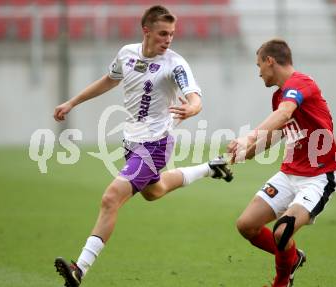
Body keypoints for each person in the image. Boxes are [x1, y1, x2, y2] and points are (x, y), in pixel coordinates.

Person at [53, 5, 233, 287]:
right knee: (155, 191)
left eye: (172, 34)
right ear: (146, 31)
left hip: (156, 146)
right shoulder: (126, 54)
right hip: (132, 142)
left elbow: (194, 95)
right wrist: (72, 102)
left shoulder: (175, 64)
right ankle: (210, 167)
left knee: (111, 198)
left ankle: (80, 269)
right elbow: (108, 80)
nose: (168, 39)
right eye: (163, 33)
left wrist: (192, 108)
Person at [227, 39, 336, 287]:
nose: (259, 72)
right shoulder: (279, 96)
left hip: (318, 177)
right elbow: (273, 137)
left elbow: (284, 114)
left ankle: (282, 281)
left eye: (259, 65)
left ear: (270, 61)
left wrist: (246, 135)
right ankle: (293, 257)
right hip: (289, 174)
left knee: (282, 231)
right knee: (246, 225)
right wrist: (241, 153)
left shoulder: (301, 83)